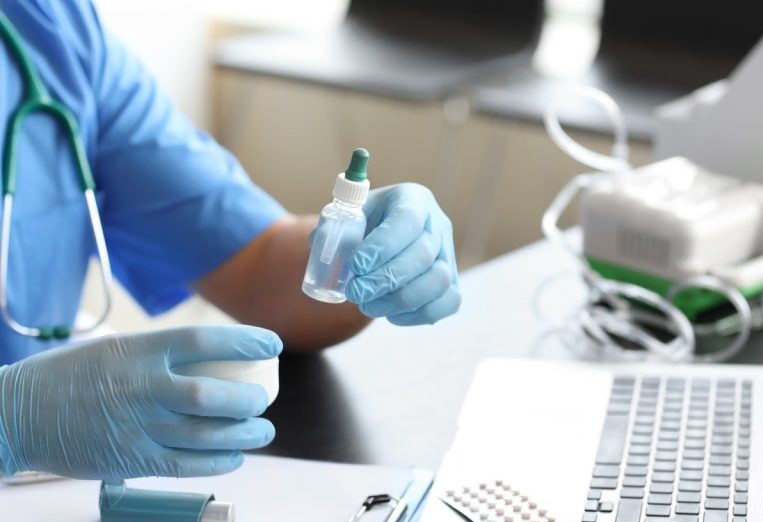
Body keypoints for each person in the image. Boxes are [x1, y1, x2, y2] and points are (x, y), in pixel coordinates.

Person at [0, 1, 460, 483]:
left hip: (40, 506)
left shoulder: (48, 28)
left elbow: (255, 263)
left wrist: (372, 249)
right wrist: (11, 420)